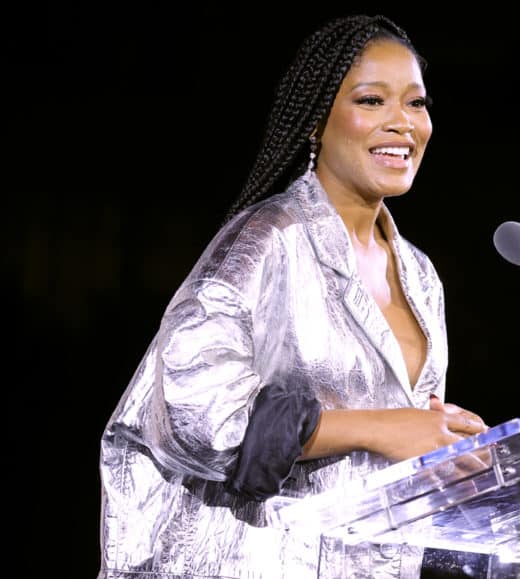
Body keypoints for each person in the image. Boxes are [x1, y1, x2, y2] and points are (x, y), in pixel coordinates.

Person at [98, 13, 488, 579]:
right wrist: (380, 426)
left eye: (416, 103)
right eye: (373, 101)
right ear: (316, 122)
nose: (403, 123)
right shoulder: (266, 241)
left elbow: (406, 438)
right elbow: (199, 413)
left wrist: (445, 443)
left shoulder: (422, 278)